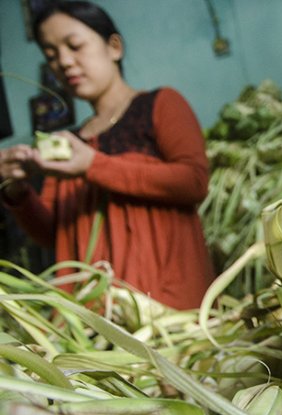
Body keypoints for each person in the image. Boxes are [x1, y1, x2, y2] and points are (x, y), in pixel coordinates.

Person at [0, 1, 215, 310]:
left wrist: (93, 165)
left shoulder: (160, 105)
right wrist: (17, 190)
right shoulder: (69, 142)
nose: (64, 62)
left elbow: (193, 182)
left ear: (114, 47)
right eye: (51, 55)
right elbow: (53, 234)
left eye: (74, 46)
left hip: (167, 304)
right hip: (97, 317)